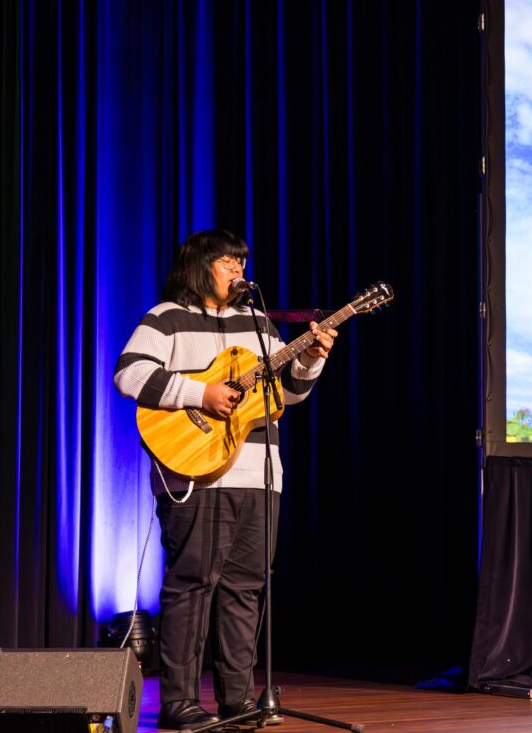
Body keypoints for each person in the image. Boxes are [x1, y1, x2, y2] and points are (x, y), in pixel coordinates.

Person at [114, 229, 337, 730]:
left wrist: (312, 357)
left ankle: (236, 699)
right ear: (200, 266)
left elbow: (289, 395)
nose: (239, 269)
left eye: (241, 261)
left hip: (259, 475)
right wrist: (200, 394)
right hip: (196, 473)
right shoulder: (166, 317)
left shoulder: (258, 323)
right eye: (228, 262)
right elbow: (128, 374)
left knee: (246, 588)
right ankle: (178, 703)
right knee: (193, 586)